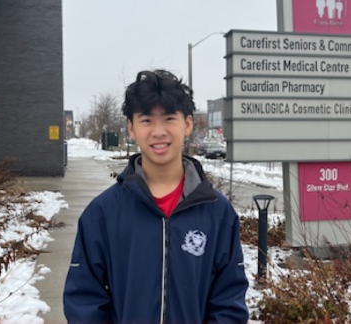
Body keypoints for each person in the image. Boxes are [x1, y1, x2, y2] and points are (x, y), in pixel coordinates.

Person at [63, 69, 249, 324]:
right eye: (147, 120)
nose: (159, 132)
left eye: (170, 118)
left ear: (187, 124)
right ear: (131, 128)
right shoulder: (102, 214)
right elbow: (84, 301)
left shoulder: (218, 213)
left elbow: (228, 302)